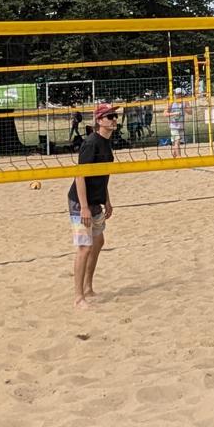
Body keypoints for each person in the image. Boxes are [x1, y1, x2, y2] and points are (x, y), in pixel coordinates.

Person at [66, 105, 119, 308]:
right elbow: (80, 176)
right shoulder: (91, 143)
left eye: (115, 116)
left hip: (96, 200)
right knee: (84, 247)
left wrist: (107, 199)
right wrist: (84, 207)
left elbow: (103, 174)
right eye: (110, 116)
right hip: (80, 202)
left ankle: (88, 287)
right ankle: (78, 297)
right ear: (99, 121)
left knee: (98, 242)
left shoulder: (106, 142)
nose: (114, 119)